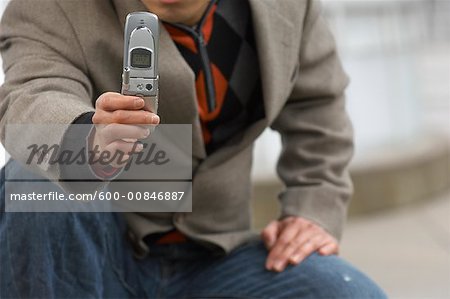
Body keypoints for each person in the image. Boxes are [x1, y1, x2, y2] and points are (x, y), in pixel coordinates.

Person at [0, 0, 387, 298]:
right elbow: (32, 95)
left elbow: (316, 104)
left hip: (218, 254)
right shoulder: (52, 6)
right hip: (99, 248)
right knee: (37, 181)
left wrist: (314, 207)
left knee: (347, 292)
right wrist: (84, 139)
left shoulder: (284, 7)